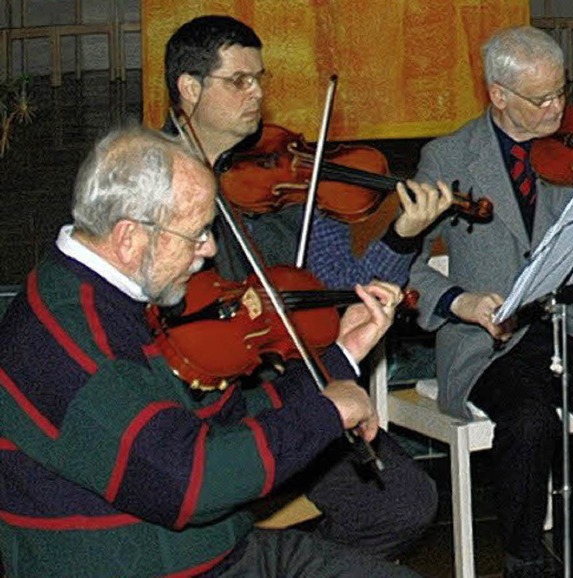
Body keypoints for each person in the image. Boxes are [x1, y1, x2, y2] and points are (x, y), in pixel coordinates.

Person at [0, 124, 436, 577]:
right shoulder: (63, 341)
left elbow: (221, 417)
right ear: (129, 237)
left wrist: (340, 357)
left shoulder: (118, 300)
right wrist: (325, 413)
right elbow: (188, 482)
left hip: (216, 555)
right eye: (196, 233)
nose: (208, 250)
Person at [409, 25, 573, 577]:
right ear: (498, 95)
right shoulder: (447, 157)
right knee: (530, 419)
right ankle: (524, 560)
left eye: (562, 91)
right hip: (487, 344)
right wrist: (459, 302)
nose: (558, 108)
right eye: (541, 99)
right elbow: (404, 266)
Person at [163, 14, 453, 288]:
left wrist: (401, 236)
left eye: (259, 78)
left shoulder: (295, 178)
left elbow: (345, 284)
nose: (258, 93)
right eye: (240, 81)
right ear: (190, 88)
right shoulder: (147, 172)